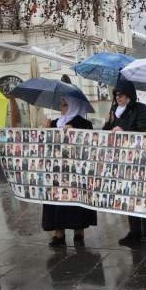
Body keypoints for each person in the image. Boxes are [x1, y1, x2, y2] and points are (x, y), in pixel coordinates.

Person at [102, 78, 146, 247]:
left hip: (139, 160)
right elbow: (106, 135)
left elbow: (145, 131)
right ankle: (134, 231)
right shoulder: (114, 111)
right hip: (121, 161)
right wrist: (107, 123)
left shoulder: (140, 109)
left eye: (122, 94)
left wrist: (124, 130)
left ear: (129, 95)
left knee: (142, 195)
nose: (118, 97)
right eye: (116, 94)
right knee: (128, 196)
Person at [43, 96, 97, 248]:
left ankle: (78, 232)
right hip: (56, 171)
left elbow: (91, 145)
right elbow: (46, 146)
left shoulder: (84, 124)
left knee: (75, 201)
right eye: (61, 105)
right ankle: (58, 233)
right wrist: (46, 132)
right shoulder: (54, 123)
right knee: (57, 201)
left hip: (76, 171)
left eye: (66, 105)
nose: (62, 108)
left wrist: (76, 132)